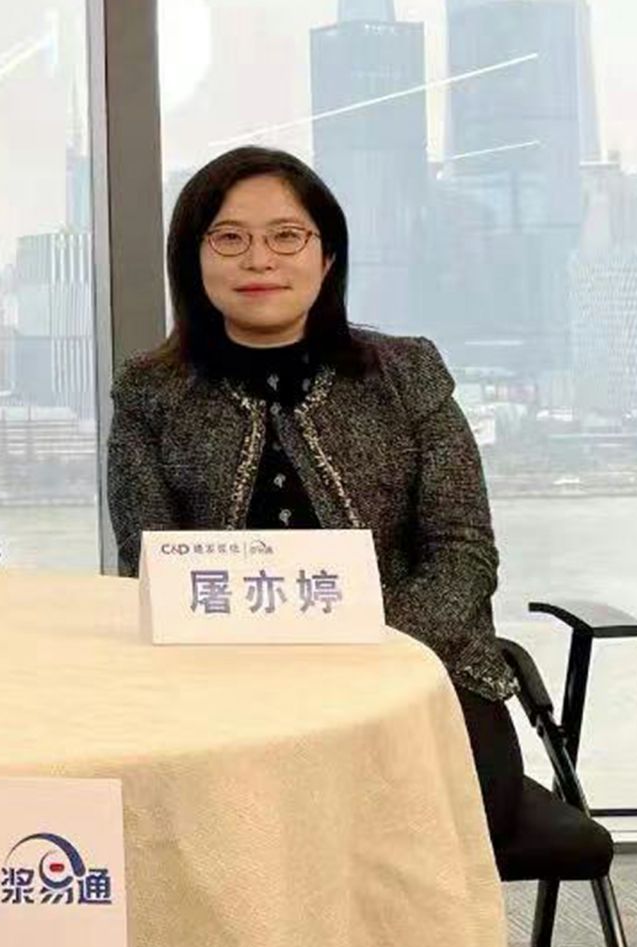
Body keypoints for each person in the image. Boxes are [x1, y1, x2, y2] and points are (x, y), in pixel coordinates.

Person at [106, 145, 523, 846]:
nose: (259, 260)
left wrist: (368, 652)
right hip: (216, 695)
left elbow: (464, 556)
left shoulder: (406, 372)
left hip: (418, 680)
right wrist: (262, 679)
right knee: (206, 825)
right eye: (229, 238)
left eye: (286, 236)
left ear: (327, 257)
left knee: (400, 826)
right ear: (192, 259)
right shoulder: (150, 391)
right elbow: (150, 562)